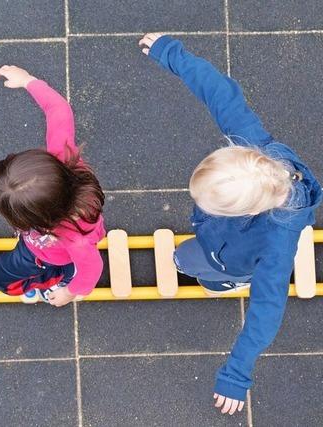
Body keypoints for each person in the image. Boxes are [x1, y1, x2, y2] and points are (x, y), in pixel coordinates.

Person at [139, 33, 322, 414]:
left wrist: (236, 375)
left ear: (246, 212)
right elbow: (220, 93)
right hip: (218, 237)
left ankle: (230, 279)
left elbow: (267, 310)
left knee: (201, 270)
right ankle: (214, 264)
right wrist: (171, 54)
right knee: (184, 258)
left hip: (232, 257)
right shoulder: (254, 149)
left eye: (209, 203)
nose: (198, 203)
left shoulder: (277, 243)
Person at [0, 66, 106, 307]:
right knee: (0, 270)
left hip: (48, 257)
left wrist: (70, 293)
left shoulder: (74, 239)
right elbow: (58, 110)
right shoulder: (62, 156)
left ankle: (57, 277)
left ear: (40, 220)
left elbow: (92, 269)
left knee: (0, 277)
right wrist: (29, 81)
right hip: (43, 243)